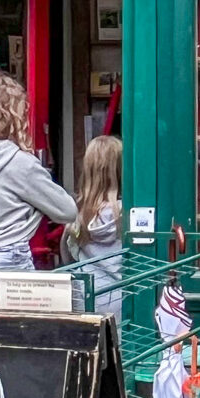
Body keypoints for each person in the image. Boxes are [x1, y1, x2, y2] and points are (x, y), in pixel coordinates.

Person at [0, 72, 77, 308]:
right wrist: (34, 211)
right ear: (16, 115)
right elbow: (67, 211)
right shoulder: (20, 164)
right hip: (11, 269)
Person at [66, 135, 124, 317]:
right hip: (121, 296)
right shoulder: (127, 213)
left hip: (83, 295)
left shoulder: (76, 212)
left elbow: (70, 254)